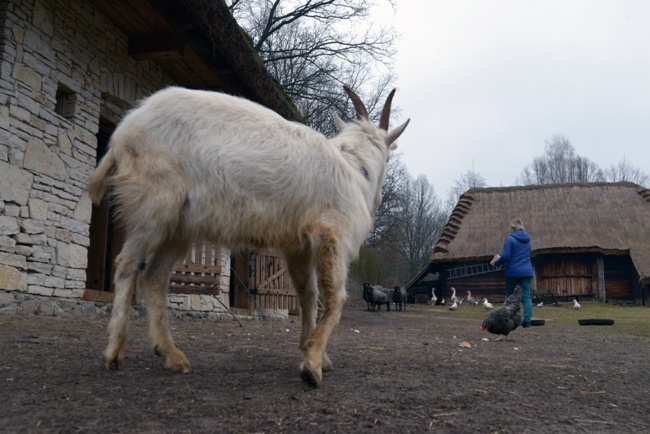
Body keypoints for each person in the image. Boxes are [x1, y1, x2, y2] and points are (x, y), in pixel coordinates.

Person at [490, 219, 533, 328]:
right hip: (527, 271)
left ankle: (508, 319)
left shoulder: (510, 239)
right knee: (526, 297)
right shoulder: (528, 240)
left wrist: (496, 262)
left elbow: (506, 257)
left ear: (513, 228)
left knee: (510, 296)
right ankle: (527, 321)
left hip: (513, 272)